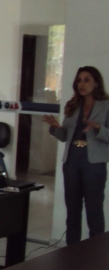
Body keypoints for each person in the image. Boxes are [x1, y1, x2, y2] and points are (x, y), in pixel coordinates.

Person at [43, 66, 109, 245]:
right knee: (72, 209)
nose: (82, 84)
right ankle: (72, 252)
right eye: (79, 80)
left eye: (87, 80)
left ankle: (96, 253)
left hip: (93, 163)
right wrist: (56, 127)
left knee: (94, 209)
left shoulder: (106, 106)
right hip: (72, 160)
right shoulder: (73, 106)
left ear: (96, 83)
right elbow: (64, 136)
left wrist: (97, 128)